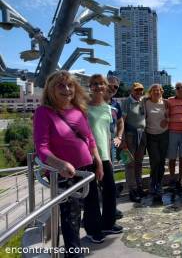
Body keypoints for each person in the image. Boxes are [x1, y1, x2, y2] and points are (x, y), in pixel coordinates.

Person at [33, 70, 105, 253]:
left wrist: (98, 160)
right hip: (64, 173)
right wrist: (60, 164)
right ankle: (73, 252)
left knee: (92, 204)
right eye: (61, 85)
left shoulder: (79, 110)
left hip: (87, 168)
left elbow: (89, 138)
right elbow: (41, 148)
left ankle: (93, 232)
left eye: (70, 85)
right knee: (70, 216)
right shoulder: (44, 112)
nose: (67, 89)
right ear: (51, 89)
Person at [87, 74, 123, 236]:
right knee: (91, 195)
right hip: (88, 156)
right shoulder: (83, 107)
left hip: (105, 155)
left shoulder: (111, 109)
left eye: (101, 84)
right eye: (94, 84)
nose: (98, 87)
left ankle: (108, 223)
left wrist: (110, 152)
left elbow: (108, 134)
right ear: (90, 86)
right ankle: (93, 230)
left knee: (109, 191)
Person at [121, 82, 146, 202]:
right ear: (132, 91)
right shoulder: (127, 102)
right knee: (130, 163)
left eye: (141, 90)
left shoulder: (142, 101)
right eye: (136, 90)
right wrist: (123, 139)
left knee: (139, 162)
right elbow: (122, 121)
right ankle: (132, 189)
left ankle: (139, 185)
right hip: (130, 135)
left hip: (142, 135)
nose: (139, 92)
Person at [144, 84, 169, 203]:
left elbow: (169, 115)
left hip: (164, 134)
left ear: (162, 91)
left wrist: (167, 120)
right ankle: (153, 182)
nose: (156, 92)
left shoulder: (165, 102)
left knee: (162, 160)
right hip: (150, 134)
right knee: (155, 160)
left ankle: (159, 184)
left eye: (158, 90)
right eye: (154, 90)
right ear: (150, 92)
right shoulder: (145, 102)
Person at [104, 75, 124, 219]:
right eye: (109, 85)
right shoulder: (93, 102)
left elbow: (121, 122)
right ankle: (91, 215)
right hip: (95, 147)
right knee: (98, 180)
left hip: (110, 145)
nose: (112, 88)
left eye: (115, 87)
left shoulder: (116, 104)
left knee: (109, 178)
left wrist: (119, 137)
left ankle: (110, 209)